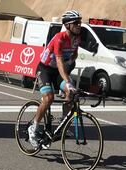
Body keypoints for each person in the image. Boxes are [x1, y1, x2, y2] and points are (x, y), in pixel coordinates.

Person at [28, 10, 82, 148]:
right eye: (76, 23)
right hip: (44, 69)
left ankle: (64, 124)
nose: (79, 25)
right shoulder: (59, 38)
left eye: (80, 22)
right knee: (49, 98)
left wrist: (70, 61)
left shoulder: (77, 39)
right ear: (67, 25)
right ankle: (33, 128)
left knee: (71, 92)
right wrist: (68, 80)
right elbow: (59, 61)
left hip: (57, 71)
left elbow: (73, 55)